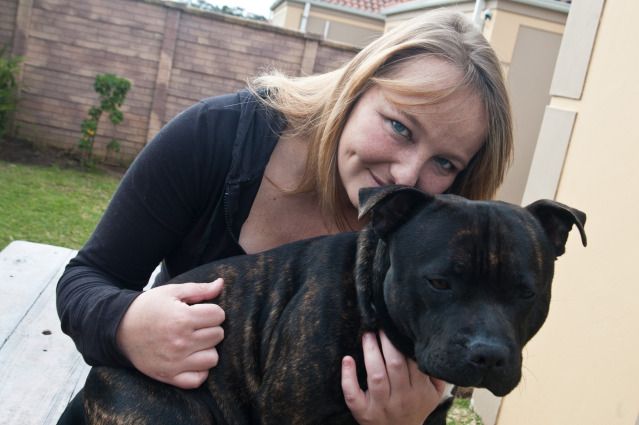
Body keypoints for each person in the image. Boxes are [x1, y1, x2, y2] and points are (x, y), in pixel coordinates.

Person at [56, 9, 512, 424]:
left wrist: (412, 421)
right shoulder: (216, 136)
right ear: (357, 87)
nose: (407, 175)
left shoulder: (433, 245)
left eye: (445, 163)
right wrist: (125, 323)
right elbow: (86, 279)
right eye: (399, 127)